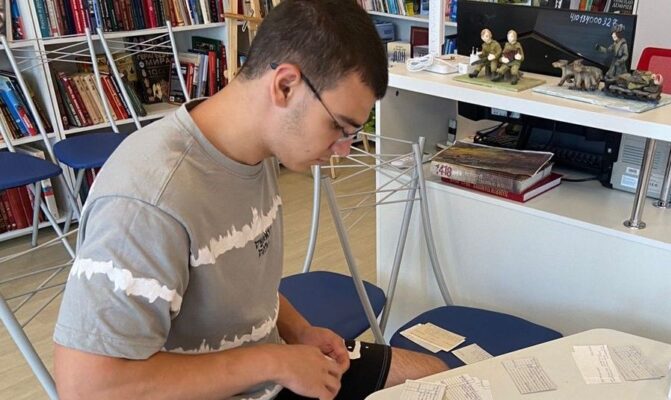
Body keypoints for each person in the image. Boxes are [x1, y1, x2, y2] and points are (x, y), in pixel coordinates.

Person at [51, 0, 448, 399]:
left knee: (439, 377)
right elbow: (86, 388)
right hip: (243, 381)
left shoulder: (257, 151)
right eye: (338, 127)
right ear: (285, 86)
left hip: (271, 371)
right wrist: (272, 362)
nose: (343, 150)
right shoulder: (149, 200)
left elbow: (238, 289)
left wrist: (299, 331)